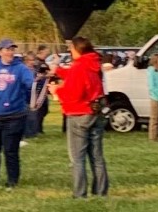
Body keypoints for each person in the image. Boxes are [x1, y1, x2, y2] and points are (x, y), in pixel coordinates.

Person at [52, 36, 108, 198]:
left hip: (79, 114)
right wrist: (58, 70)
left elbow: (73, 94)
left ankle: (80, 193)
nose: (69, 51)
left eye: (71, 49)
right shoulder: (93, 64)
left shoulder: (79, 67)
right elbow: (74, 75)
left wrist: (56, 91)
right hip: (96, 112)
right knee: (97, 156)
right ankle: (101, 191)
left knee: (77, 158)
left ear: (77, 49)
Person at [0, 39, 36, 190]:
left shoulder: (21, 69)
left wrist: (37, 83)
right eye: (7, 49)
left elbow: (31, 84)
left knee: (10, 150)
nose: (10, 52)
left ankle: (12, 181)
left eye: (12, 49)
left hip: (14, 116)